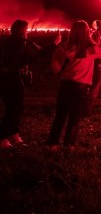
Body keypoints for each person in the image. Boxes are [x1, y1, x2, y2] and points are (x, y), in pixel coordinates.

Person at [47, 20, 101, 150]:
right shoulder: (90, 49)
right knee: (74, 117)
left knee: (60, 115)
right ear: (87, 32)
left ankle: (52, 144)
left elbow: (55, 68)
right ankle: (69, 145)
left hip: (65, 84)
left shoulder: (64, 46)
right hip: (80, 86)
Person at [1, 20, 59, 148]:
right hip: (13, 80)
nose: (27, 32)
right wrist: (54, 44)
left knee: (14, 108)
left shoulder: (8, 41)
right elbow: (36, 55)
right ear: (22, 30)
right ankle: (3, 137)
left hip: (5, 80)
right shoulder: (20, 43)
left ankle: (14, 134)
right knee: (14, 110)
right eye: (26, 29)